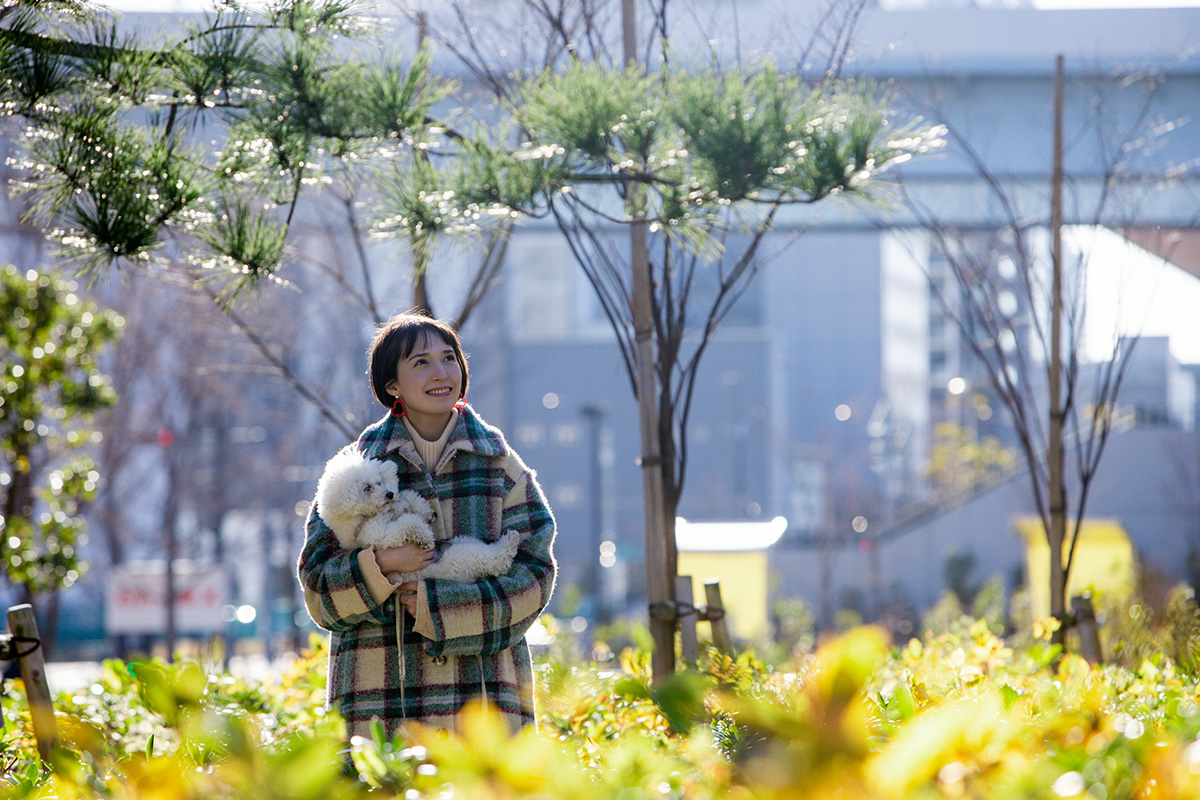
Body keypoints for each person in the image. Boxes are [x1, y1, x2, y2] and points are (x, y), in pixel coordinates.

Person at [297, 312, 557, 738]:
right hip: (378, 707)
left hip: (484, 708)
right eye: (421, 362)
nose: (441, 373)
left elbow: (535, 577)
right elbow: (318, 593)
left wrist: (441, 606)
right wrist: (379, 565)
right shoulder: (357, 471)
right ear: (391, 385)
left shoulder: (500, 466)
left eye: (449, 358)